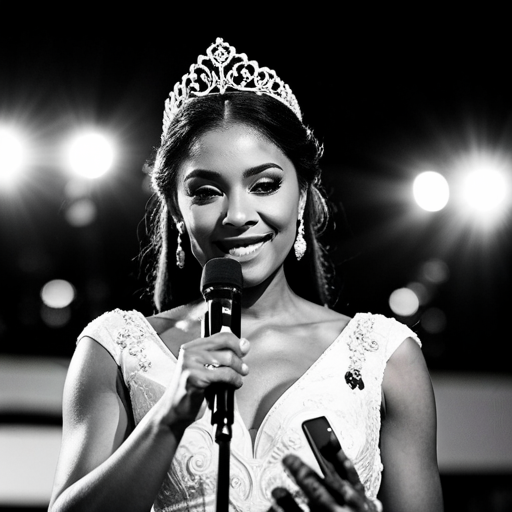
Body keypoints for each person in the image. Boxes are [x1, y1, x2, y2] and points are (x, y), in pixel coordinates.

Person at [48, 38, 443, 512]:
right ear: (177, 212)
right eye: (206, 191)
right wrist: (169, 417)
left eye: (264, 185)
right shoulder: (114, 350)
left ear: (300, 198)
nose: (237, 214)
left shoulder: (386, 357)